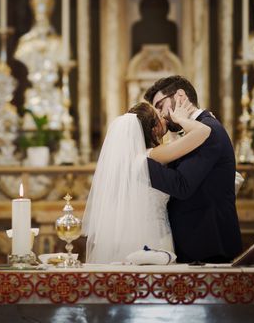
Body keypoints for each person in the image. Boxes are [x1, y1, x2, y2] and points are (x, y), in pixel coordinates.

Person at [82, 97, 211, 264]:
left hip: (126, 236)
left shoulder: (128, 161)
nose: (164, 117)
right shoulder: (152, 156)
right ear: (154, 128)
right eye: (159, 116)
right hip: (154, 237)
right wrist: (181, 119)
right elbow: (203, 132)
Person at [145, 75, 242, 263]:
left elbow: (182, 185)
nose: (160, 115)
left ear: (180, 96)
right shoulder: (197, 129)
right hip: (196, 243)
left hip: (209, 244)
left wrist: (141, 163)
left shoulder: (209, 129)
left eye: (160, 106)